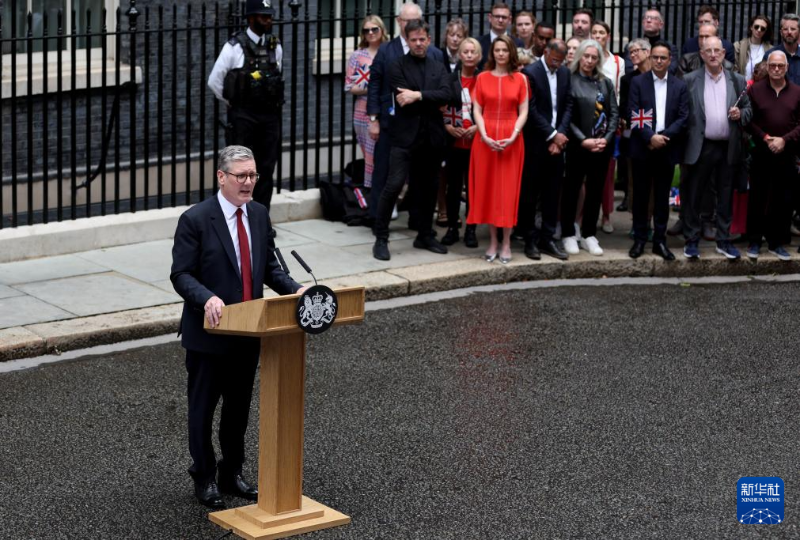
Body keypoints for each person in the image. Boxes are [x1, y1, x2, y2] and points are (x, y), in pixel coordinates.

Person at [170, 145, 306, 509]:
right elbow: (181, 274)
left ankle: (232, 473)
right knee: (202, 410)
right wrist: (206, 297)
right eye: (241, 176)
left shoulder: (259, 214)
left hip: (249, 332)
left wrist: (297, 290)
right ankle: (204, 476)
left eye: (253, 175)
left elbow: (269, 269)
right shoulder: (196, 219)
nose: (248, 183)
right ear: (221, 177)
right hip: (209, 333)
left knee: (238, 410)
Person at [371, 19, 453, 261]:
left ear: (428, 40)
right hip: (404, 137)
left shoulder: (438, 65)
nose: (418, 43)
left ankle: (425, 235)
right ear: (407, 41)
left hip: (432, 138)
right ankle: (381, 237)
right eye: (414, 40)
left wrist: (418, 94)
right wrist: (430, 97)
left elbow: (448, 94)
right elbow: (401, 97)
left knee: (429, 187)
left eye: (422, 39)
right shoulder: (397, 66)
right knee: (393, 184)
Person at [367, 3, 444, 221]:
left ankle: (418, 221)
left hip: (423, 125)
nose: (411, 26)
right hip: (390, 123)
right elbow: (375, 83)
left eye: (415, 21)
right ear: (399, 22)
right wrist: (374, 118)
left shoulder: (435, 54)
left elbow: (444, 89)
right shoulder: (386, 50)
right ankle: (377, 221)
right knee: (384, 173)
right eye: (406, 21)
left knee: (421, 177)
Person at [208, 0, 284, 213]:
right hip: (244, 117)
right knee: (239, 170)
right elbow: (214, 80)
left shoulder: (274, 46)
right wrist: (232, 103)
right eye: (263, 16)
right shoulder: (234, 47)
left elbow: (278, 76)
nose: (268, 20)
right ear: (250, 18)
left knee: (266, 169)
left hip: (269, 116)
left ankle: (261, 218)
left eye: (269, 16)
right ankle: (237, 214)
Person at [682, 37, 751, 260]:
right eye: (707, 50)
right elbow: (682, 112)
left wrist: (741, 114)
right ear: (701, 54)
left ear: (723, 54)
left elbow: (749, 108)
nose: (712, 54)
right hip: (701, 145)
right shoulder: (689, 80)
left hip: (727, 146)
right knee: (694, 194)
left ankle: (723, 240)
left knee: (725, 195)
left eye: (716, 51)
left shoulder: (737, 80)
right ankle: (692, 240)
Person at [468, 35, 529, 264]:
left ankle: (506, 242)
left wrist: (514, 134)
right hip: (486, 137)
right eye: (497, 50)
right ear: (492, 53)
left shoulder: (521, 79)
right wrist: (483, 134)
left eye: (504, 50)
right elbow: (477, 110)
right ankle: (493, 241)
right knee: (489, 189)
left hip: (512, 137)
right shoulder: (482, 78)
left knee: (508, 191)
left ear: (511, 52)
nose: (500, 54)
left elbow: (523, 111)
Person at [628, 42, 689, 261]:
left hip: (666, 148)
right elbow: (633, 112)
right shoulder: (638, 82)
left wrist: (663, 137)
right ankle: (640, 240)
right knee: (641, 198)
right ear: (650, 58)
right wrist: (650, 137)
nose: (659, 61)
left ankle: (659, 242)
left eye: (663, 58)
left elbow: (683, 117)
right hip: (643, 148)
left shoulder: (679, 86)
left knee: (662, 198)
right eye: (655, 57)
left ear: (670, 60)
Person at [560, 39, 619, 256]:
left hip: (601, 146)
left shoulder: (605, 82)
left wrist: (607, 137)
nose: (590, 61)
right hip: (578, 146)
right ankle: (568, 233)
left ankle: (588, 234)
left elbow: (614, 112)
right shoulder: (570, 80)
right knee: (571, 190)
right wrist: (582, 139)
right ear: (580, 57)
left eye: (594, 57)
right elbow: (567, 115)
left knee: (596, 190)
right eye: (586, 56)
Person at [744, 50, 800, 261]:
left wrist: (784, 140)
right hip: (761, 152)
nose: (776, 69)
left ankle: (776, 242)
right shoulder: (755, 90)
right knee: (758, 197)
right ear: (767, 67)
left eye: (781, 66)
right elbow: (748, 121)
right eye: (773, 65)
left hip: (786, 152)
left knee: (783, 199)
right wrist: (765, 137)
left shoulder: (797, 92)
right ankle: (755, 241)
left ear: (787, 68)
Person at [519, 39, 572, 261]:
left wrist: (559, 137)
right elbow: (529, 110)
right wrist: (552, 134)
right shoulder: (530, 73)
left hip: (557, 145)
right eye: (554, 60)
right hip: (535, 143)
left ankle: (548, 237)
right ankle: (529, 238)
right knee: (530, 194)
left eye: (560, 61)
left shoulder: (564, 73)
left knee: (553, 193)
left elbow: (568, 104)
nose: (556, 65)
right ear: (546, 52)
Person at [441, 37, 482, 248]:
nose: (468, 55)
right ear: (460, 55)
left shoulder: (483, 79)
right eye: (465, 52)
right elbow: (442, 106)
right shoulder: (450, 79)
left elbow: (488, 109)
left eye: (472, 52)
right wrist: (448, 127)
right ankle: (452, 227)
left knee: (473, 188)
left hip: (476, 144)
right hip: (454, 143)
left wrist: (478, 128)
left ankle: (471, 229)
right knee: (453, 187)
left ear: (478, 56)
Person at [345, 15, 389, 190]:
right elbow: (349, 86)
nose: (370, 33)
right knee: (369, 156)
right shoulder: (357, 55)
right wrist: (373, 86)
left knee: (386, 153)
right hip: (362, 111)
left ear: (381, 30)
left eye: (374, 29)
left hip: (385, 109)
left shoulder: (388, 52)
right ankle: (373, 193)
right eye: (366, 30)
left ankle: (389, 195)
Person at [436, 18, 469, 227]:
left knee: (459, 170)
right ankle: (442, 208)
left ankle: (456, 208)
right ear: (446, 36)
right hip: (441, 116)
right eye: (452, 35)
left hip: (462, 119)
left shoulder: (467, 58)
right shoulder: (437, 56)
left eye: (460, 35)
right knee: (442, 167)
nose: (455, 39)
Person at [591, 20, 623, 234]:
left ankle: (606, 214)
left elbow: (618, 94)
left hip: (608, 121)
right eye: (594, 32)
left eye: (601, 32)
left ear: (608, 36)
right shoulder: (586, 58)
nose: (597, 36)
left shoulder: (617, 62)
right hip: (587, 120)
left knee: (607, 172)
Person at [617, 39, 652, 213]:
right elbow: (624, 107)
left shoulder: (659, 75)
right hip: (635, 134)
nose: (633, 55)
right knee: (634, 179)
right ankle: (635, 220)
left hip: (657, 133)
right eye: (631, 52)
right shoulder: (627, 79)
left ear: (648, 52)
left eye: (636, 51)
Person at [624, 9, 679, 75]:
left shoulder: (670, 48)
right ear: (642, 23)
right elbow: (629, 70)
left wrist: (641, 68)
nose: (648, 20)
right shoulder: (631, 47)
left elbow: (671, 70)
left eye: (654, 18)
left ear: (661, 25)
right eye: (646, 18)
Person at [477, 3, 523, 70]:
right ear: (490, 18)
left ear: (510, 20)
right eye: (497, 16)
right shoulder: (478, 42)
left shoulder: (518, 43)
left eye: (504, 17)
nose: (500, 20)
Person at [734, 15, 773, 81]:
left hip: (762, 87)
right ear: (751, 27)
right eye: (756, 27)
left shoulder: (770, 50)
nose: (759, 30)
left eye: (762, 28)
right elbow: (735, 70)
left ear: (765, 31)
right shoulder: (739, 46)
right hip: (742, 87)